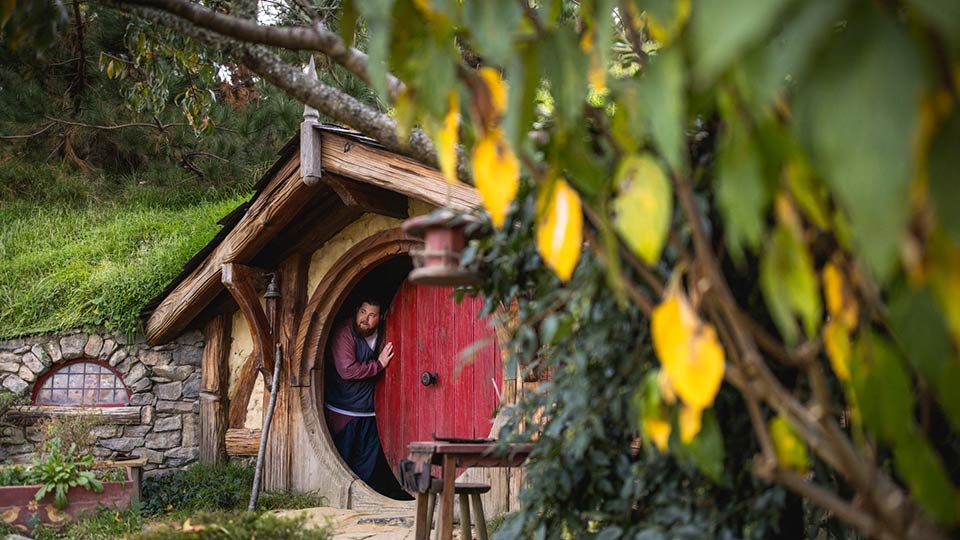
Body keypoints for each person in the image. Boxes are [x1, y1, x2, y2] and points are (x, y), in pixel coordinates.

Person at [324, 296, 395, 486]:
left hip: (372, 412)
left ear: (380, 317)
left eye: (372, 315)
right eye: (363, 312)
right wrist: (379, 364)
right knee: (342, 462)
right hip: (344, 411)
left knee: (367, 463)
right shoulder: (344, 333)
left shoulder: (386, 332)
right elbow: (347, 370)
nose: (365, 318)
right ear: (357, 310)